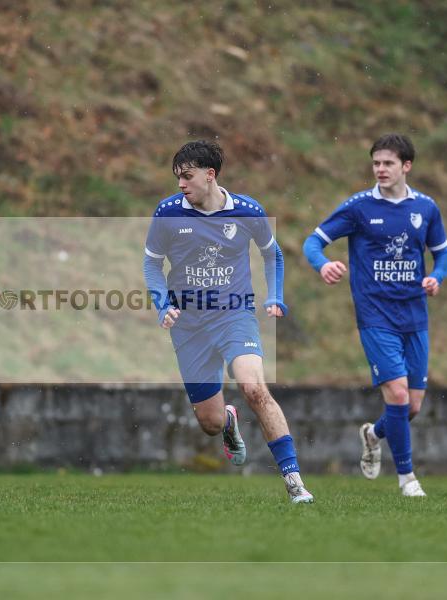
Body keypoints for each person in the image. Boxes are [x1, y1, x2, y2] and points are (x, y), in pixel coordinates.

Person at [143, 140, 314, 504]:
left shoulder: (248, 211)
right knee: (210, 423)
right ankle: (227, 421)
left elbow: (273, 255)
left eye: (187, 176)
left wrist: (275, 296)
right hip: (188, 324)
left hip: (234, 314)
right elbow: (152, 264)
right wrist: (162, 304)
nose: (180, 184)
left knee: (254, 389)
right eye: (177, 177)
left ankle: (294, 482)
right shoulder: (168, 212)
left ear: (211, 174)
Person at [303, 133, 447, 497]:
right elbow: (313, 241)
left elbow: (444, 254)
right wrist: (323, 265)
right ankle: (407, 479)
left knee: (411, 406)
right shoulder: (359, 207)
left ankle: (373, 434)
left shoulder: (426, 208)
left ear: (406, 166)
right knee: (398, 395)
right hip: (375, 315)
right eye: (376, 163)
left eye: (388, 163)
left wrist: (437, 276)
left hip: (414, 315)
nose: (381, 169)